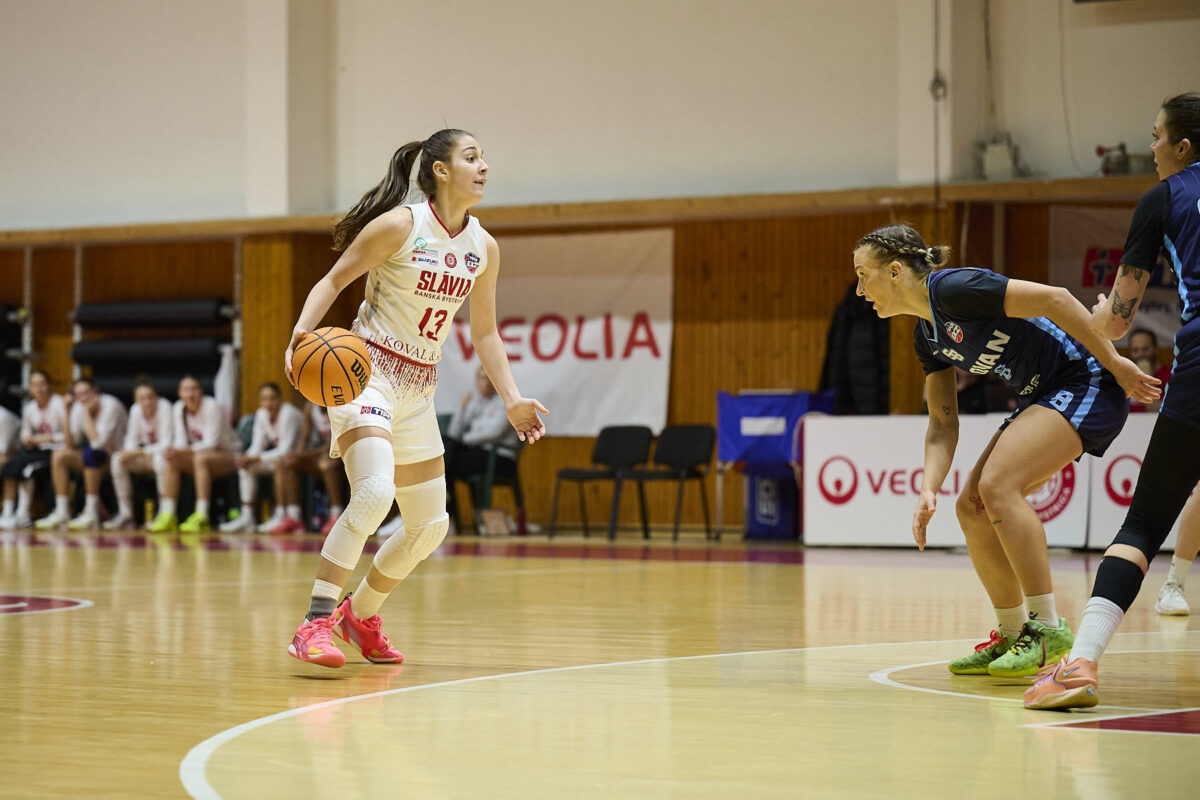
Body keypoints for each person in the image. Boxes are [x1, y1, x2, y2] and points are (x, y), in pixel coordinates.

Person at [283, 129, 547, 668]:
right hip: (368, 373)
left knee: (430, 526)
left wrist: (512, 398)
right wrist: (299, 337)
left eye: (484, 157)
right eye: (472, 157)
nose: (484, 166)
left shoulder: (483, 246)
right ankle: (314, 624)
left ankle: (359, 616)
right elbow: (333, 281)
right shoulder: (400, 225)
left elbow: (486, 333)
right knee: (375, 492)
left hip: (420, 386)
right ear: (441, 170)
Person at [852, 224, 1158, 679]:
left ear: (895, 271)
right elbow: (942, 422)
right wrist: (928, 488)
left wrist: (1115, 362)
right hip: (1044, 394)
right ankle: (1014, 632)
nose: (860, 290)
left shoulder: (955, 288)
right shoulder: (927, 337)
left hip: (1087, 380)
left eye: (863, 275)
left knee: (997, 485)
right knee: (971, 507)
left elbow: (1056, 298)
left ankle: (1046, 627)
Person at [1026, 93, 1200, 708]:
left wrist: (1096, 317)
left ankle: (1080, 665)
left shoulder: (1165, 198)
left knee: (1145, 524)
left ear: (1183, 146)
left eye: (1157, 136)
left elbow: (1119, 321)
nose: (1150, 147)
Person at [147, 375, 242, 533]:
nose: (190, 394)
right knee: (172, 458)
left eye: (194, 389)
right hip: (199, 456)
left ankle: (202, 515)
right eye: (186, 390)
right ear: (179, 393)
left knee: (200, 458)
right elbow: (181, 442)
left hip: (230, 455)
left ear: (201, 392)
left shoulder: (212, 406)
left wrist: (183, 450)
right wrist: (175, 451)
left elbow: (211, 443)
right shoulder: (178, 408)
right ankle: (168, 514)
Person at [35, 378, 128, 531]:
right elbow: (70, 444)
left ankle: (91, 512)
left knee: (91, 454)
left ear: (95, 391)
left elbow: (98, 444)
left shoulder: (111, 406)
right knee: (59, 456)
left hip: (119, 456)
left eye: (87, 393)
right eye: (79, 395)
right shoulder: (79, 407)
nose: (84, 398)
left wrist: (85, 413)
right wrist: (67, 413)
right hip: (97, 456)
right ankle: (62, 511)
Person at [443, 364, 522, 528]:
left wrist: (464, 440)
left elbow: (494, 433)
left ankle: (447, 511)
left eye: (489, 378)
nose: (485, 382)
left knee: (445, 463)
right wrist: (462, 408)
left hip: (499, 456)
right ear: (476, 381)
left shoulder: (507, 402)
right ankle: (448, 511)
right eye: (481, 378)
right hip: (477, 453)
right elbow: (453, 432)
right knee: (445, 459)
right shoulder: (475, 403)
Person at [220, 383, 305, 533]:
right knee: (246, 466)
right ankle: (247, 516)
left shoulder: (288, 413)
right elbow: (257, 445)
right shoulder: (261, 414)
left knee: (280, 463)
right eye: (264, 399)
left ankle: (282, 515)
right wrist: (247, 457)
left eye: (272, 398)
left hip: (302, 455)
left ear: (280, 399)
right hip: (281, 458)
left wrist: (257, 458)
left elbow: (285, 449)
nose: (269, 403)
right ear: (260, 401)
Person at [0, 371, 67, 528]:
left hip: (58, 450)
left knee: (27, 469)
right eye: (35, 385)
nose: (40, 388)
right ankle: (8, 511)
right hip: (38, 451)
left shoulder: (59, 404)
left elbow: (71, 435)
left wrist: (47, 438)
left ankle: (23, 514)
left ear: (49, 386)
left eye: (43, 384)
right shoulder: (30, 407)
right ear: (30, 388)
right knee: (11, 466)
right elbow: (25, 431)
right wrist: (27, 438)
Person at [105, 378, 173, 530]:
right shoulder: (135, 410)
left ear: (156, 397)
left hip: (162, 456)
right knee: (117, 459)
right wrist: (128, 452)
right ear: (136, 400)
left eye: (150, 397)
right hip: (144, 456)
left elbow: (166, 443)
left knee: (161, 460)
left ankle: (164, 513)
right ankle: (126, 514)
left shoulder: (165, 407)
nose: (147, 402)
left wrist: (138, 452)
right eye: (142, 398)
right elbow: (131, 439)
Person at [276, 402, 345, 536]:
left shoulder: (338, 406)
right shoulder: (310, 408)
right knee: (287, 463)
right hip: (320, 454)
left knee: (326, 464)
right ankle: (294, 516)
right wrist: (297, 454)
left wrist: (306, 454)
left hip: (341, 455)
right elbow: (304, 439)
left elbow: (332, 446)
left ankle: (336, 514)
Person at [1126, 328, 1172, 412]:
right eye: (1135, 350)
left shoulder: (1170, 376)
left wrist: (1146, 377)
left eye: (1145, 349)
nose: (1140, 354)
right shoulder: (1124, 378)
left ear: (1156, 349)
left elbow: (1165, 413)